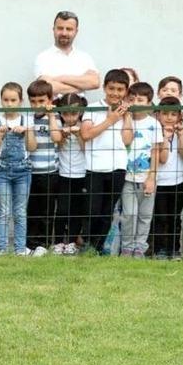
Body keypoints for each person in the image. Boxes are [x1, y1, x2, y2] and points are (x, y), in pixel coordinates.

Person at [80, 69, 129, 252]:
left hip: (117, 167)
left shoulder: (126, 110)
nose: (115, 93)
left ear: (126, 91)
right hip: (95, 167)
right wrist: (111, 120)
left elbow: (127, 139)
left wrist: (127, 116)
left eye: (120, 89)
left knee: (107, 212)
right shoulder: (93, 108)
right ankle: (87, 244)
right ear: (104, 88)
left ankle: (98, 247)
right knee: (92, 210)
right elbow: (86, 134)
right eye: (112, 88)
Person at [0, 82, 36, 256]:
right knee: (3, 211)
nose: (9, 103)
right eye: (5, 100)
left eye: (13, 100)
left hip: (23, 170)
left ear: (20, 101)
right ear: (1, 101)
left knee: (20, 211)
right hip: (1, 171)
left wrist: (27, 131)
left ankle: (20, 249)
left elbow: (31, 147)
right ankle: (2, 249)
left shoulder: (27, 119)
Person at [119, 83, 162, 258]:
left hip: (147, 177)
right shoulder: (123, 120)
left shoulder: (154, 124)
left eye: (140, 99)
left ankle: (140, 247)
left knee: (145, 215)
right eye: (132, 99)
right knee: (129, 214)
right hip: (128, 177)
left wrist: (151, 177)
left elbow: (155, 151)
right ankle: (127, 246)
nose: (136, 102)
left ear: (149, 102)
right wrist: (127, 116)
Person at [25, 79, 62, 256]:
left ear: (50, 100)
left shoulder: (54, 119)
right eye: (33, 101)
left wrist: (52, 116)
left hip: (49, 172)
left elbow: (56, 138)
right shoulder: (26, 118)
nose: (37, 105)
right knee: (31, 209)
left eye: (41, 101)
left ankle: (43, 244)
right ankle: (29, 243)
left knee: (46, 211)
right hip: (30, 172)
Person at [151, 96, 183, 259]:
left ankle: (174, 248)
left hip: (177, 181)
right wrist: (164, 137)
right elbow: (162, 159)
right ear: (158, 115)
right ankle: (159, 249)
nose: (169, 117)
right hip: (160, 181)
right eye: (165, 114)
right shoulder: (155, 131)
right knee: (160, 217)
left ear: (179, 116)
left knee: (174, 218)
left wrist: (179, 135)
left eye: (173, 114)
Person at [34, 11, 100, 95]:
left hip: (80, 107)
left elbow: (94, 82)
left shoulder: (85, 58)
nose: (64, 33)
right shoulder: (43, 58)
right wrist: (81, 87)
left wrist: (61, 78)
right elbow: (47, 87)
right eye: (60, 28)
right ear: (53, 29)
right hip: (54, 108)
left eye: (69, 29)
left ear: (76, 32)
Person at [54, 93, 88, 255]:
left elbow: (85, 149)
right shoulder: (58, 127)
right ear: (60, 113)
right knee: (61, 209)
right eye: (65, 113)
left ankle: (73, 241)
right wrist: (63, 136)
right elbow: (58, 146)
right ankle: (58, 241)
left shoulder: (84, 126)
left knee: (76, 210)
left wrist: (78, 134)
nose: (69, 117)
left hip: (81, 173)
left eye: (73, 113)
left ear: (80, 112)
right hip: (63, 172)